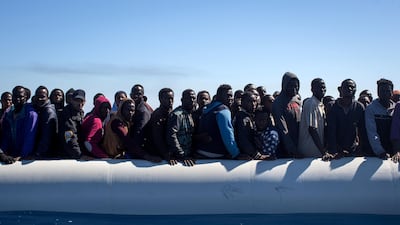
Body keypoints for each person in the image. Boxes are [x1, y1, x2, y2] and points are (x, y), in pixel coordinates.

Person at [323, 79, 366, 161]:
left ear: (355, 91)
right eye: (347, 87)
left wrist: (360, 149)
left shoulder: (359, 107)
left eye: (352, 87)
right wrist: (333, 151)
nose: (350, 89)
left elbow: (362, 131)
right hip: (334, 152)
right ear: (340, 89)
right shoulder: (331, 106)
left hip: (352, 151)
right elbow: (330, 131)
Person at [195, 84, 241, 159]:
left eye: (231, 96)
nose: (231, 98)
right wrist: (236, 154)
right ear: (219, 96)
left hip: (200, 150)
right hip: (214, 152)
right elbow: (227, 134)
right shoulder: (223, 110)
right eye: (228, 95)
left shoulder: (208, 108)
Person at [1, 86, 38, 158]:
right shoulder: (8, 114)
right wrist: (3, 154)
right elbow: (5, 137)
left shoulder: (31, 114)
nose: (17, 99)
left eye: (20, 97)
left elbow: (29, 138)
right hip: (10, 156)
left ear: (26, 98)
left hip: (24, 158)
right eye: (15, 96)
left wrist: (21, 156)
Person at [272, 72, 302, 158]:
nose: (294, 89)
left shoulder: (298, 99)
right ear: (284, 85)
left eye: (296, 86)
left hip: (299, 142)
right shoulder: (278, 103)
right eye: (290, 86)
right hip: (285, 147)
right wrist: (292, 149)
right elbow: (282, 128)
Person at [234, 91, 271, 159]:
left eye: (255, 101)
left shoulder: (248, 116)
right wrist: (256, 155)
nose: (253, 104)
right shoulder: (242, 118)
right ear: (242, 102)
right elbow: (243, 140)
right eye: (250, 101)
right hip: (245, 156)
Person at [365, 78, 395, 159]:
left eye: (387, 91)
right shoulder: (371, 109)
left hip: (394, 153)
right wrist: (380, 151)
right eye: (381, 91)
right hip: (375, 155)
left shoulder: (396, 109)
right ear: (378, 92)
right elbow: (372, 133)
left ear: (392, 92)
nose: (384, 93)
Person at [166, 89, 196, 166]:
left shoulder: (190, 114)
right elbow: (172, 135)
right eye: (189, 98)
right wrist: (182, 155)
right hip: (178, 157)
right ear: (182, 100)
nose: (192, 100)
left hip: (188, 155)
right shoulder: (177, 115)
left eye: (194, 98)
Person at [298, 78, 327, 157]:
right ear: (312, 89)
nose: (322, 89)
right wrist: (323, 152)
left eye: (323, 87)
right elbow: (312, 129)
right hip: (310, 151)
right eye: (319, 87)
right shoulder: (311, 103)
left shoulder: (320, 104)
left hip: (317, 152)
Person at [145, 88, 174, 160]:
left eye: (171, 98)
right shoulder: (157, 115)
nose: (170, 101)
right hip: (157, 153)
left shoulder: (172, 113)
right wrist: (166, 154)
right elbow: (157, 138)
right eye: (167, 98)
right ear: (160, 99)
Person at [32, 85, 59, 158]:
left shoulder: (48, 112)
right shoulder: (41, 109)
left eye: (42, 97)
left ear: (48, 98)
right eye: (38, 96)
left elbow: (46, 137)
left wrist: (37, 154)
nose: (40, 99)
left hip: (46, 155)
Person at [59, 89, 86, 159]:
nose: (80, 103)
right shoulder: (66, 114)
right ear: (72, 100)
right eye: (77, 100)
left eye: (82, 101)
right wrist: (79, 155)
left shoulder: (81, 112)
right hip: (68, 155)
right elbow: (69, 136)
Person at [130, 84, 153, 150]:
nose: (135, 95)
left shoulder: (143, 111)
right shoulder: (136, 108)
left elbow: (139, 133)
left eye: (139, 94)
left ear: (143, 95)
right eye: (134, 93)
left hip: (142, 148)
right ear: (130, 95)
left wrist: (134, 150)